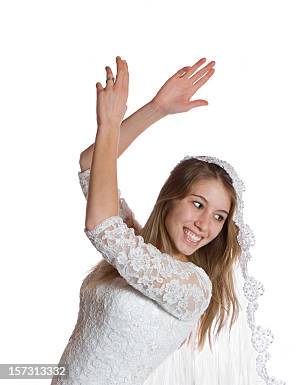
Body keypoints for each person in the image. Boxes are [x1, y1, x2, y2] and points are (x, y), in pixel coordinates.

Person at [51, 56, 283, 385]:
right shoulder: (138, 246)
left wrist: (110, 125)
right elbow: (91, 165)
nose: (205, 224)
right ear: (171, 199)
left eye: (219, 216)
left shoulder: (193, 286)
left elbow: (102, 227)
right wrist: (157, 108)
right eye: (198, 204)